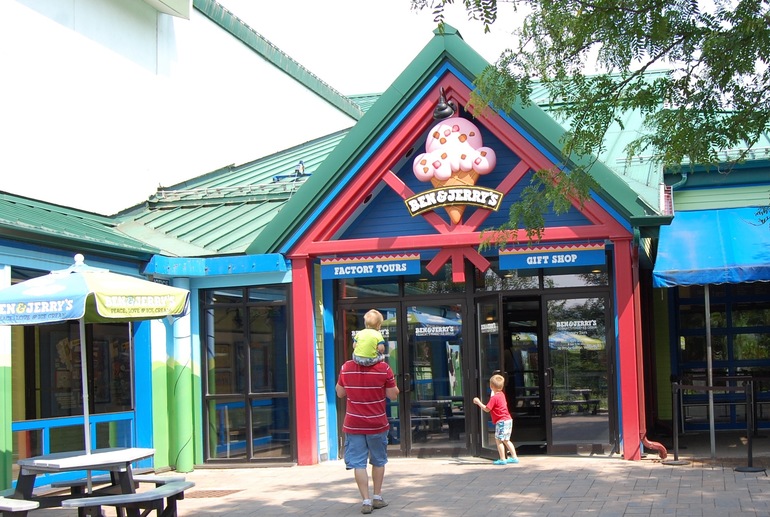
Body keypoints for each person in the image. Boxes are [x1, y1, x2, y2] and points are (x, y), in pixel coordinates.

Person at [337, 343, 400, 514]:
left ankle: (365, 500)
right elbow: (393, 395)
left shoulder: (346, 367)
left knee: (359, 463)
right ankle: (377, 497)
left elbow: (340, 393)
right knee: (378, 460)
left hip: (353, 424)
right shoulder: (384, 369)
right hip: (377, 423)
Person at [473, 373, 520, 465]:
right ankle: (514, 457)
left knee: (499, 440)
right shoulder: (501, 394)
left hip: (501, 421)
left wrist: (478, 402)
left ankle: (502, 459)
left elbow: (487, 409)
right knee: (506, 440)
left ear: (491, 386)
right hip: (508, 420)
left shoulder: (494, 398)